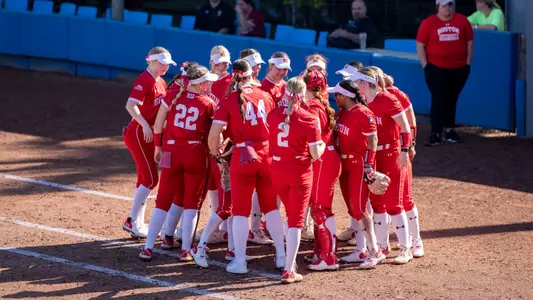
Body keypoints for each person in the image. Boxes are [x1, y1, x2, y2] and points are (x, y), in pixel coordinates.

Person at [209, 59, 286, 274]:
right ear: (251, 74)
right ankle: (281, 257)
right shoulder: (266, 95)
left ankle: (240, 261)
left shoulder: (230, 98)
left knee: (241, 212)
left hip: (242, 156)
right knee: (271, 209)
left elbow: (214, 134)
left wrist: (215, 153)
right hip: (267, 154)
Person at [139, 65, 218, 261]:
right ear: (198, 84)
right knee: (192, 203)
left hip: (171, 151)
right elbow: (215, 133)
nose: (209, 84)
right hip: (195, 152)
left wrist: (158, 147)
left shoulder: (172, 96)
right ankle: (185, 249)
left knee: (162, 202)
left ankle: (148, 247)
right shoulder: (207, 102)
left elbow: (158, 125)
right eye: (206, 81)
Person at [352, 67, 413, 264]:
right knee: (377, 204)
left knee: (394, 203)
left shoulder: (388, 99)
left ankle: (406, 248)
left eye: (358, 82)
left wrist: (404, 151)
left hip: (391, 153)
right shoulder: (361, 102)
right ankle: (382, 246)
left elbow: (405, 127)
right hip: (374, 155)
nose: (356, 85)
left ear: (366, 82)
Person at [267, 76, 325, 283]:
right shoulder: (309, 118)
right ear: (302, 94)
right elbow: (316, 154)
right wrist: (324, 146)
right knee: (296, 221)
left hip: (278, 169)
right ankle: (289, 269)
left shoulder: (273, 115)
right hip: (299, 171)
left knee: (289, 216)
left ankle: (285, 259)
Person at [329, 79, 385, 269]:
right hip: (345, 165)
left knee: (360, 209)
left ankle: (374, 251)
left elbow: (373, 141)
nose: (334, 98)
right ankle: (361, 250)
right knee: (353, 209)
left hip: (358, 164)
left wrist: (369, 166)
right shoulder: (344, 112)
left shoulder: (363, 113)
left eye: (337, 95)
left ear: (344, 96)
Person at [122, 46, 176, 238]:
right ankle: (132, 220)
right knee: (151, 179)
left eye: (167, 64)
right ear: (152, 61)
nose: (166, 67)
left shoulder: (160, 81)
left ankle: (137, 223)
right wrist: (144, 125)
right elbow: (130, 105)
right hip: (138, 133)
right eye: (162, 63)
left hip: (148, 134)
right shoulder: (145, 79)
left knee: (144, 179)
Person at [300, 70, 342, 271]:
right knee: (319, 206)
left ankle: (329, 257)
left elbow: (314, 137)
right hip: (327, 158)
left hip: (322, 159)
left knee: (320, 208)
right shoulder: (320, 103)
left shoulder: (313, 106)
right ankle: (320, 250)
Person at [416, 0, 473, 146]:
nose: (448, 8)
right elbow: (420, 45)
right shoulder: (428, 23)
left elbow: (469, 42)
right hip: (435, 67)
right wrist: (425, 66)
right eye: (444, 5)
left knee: (452, 98)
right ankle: (435, 133)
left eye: (450, 4)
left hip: (459, 67)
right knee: (438, 98)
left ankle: (449, 130)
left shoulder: (462, 21)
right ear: (437, 7)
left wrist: (467, 63)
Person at [384, 73, 424, 258]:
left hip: (398, 150)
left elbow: (410, 121)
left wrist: (410, 146)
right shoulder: (361, 96)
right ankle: (382, 244)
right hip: (379, 153)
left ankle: (415, 240)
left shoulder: (396, 94)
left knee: (404, 198)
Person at [239, 49, 275, 246]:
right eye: (255, 65)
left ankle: (253, 228)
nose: (258, 68)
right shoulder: (234, 88)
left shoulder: (259, 88)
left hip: (258, 150)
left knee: (254, 192)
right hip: (235, 148)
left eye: (260, 64)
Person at [199, 45, 233, 245]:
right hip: (205, 138)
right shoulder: (204, 80)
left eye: (225, 62)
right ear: (211, 62)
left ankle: (226, 228)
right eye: (219, 62)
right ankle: (218, 225)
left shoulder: (231, 82)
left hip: (225, 141)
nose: (223, 66)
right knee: (211, 182)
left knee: (224, 183)